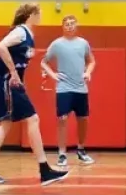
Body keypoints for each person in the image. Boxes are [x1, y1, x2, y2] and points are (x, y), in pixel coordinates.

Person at [0, 3, 68, 187]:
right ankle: (43, 170)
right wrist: (12, 72)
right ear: (31, 15)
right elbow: (1, 46)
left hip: (11, 82)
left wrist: (18, 76)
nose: (41, 16)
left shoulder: (28, 34)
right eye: (39, 13)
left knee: (7, 123)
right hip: (4, 80)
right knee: (30, 119)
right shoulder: (20, 32)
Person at [41, 15, 96, 166]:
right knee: (62, 119)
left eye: (72, 24)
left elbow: (91, 61)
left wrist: (88, 72)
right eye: (67, 24)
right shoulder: (57, 44)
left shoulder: (83, 43)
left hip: (81, 88)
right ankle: (62, 153)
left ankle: (81, 149)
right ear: (62, 26)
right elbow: (43, 62)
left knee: (83, 119)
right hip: (63, 88)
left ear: (76, 26)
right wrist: (52, 74)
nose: (70, 26)